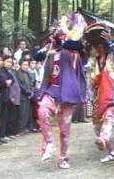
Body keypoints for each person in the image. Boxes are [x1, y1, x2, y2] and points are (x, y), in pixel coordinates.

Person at [34, 29, 86, 169]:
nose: (61, 39)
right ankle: (49, 143)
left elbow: (77, 47)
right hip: (52, 90)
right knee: (42, 111)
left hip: (67, 94)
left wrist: (66, 38)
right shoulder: (50, 54)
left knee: (64, 130)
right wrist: (48, 48)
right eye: (58, 36)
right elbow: (36, 58)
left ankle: (63, 157)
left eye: (63, 36)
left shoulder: (73, 55)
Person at [84, 23, 114, 163]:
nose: (98, 47)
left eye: (101, 44)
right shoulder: (94, 60)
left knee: (111, 115)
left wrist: (110, 43)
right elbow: (91, 80)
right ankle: (111, 152)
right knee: (98, 126)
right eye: (96, 45)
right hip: (100, 96)